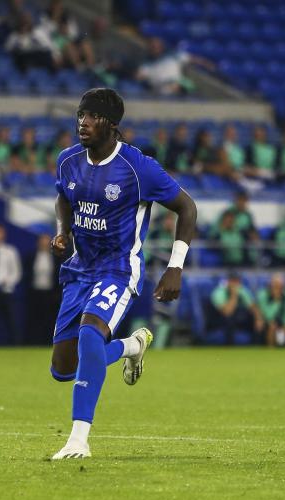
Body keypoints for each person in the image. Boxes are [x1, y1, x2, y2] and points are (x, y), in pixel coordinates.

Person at [49, 88, 197, 460]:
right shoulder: (68, 161)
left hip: (118, 268)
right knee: (63, 369)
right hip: (79, 270)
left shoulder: (138, 167)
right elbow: (63, 199)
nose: (83, 122)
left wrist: (175, 266)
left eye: (93, 116)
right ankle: (133, 346)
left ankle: (78, 439)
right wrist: (62, 231)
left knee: (89, 335)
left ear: (112, 126)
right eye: (81, 114)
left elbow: (187, 208)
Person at [136, 37, 215, 96]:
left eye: (158, 46)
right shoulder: (147, 64)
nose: (156, 48)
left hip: (179, 83)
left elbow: (193, 59)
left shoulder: (173, 55)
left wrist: (208, 65)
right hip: (161, 89)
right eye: (153, 46)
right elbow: (139, 76)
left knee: (190, 85)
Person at [24, 233, 62, 345]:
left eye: (46, 241)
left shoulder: (56, 258)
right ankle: (33, 342)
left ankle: (49, 342)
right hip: (35, 293)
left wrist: (57, 293)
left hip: (50, 294)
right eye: (42, 241)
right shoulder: (31, 256)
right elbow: (27, 275)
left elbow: (58, 275)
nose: (44, 243)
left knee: (49, 319)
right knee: (34, 319)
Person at [210, 272, 263, 345]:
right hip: (221, 319)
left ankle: (256, 346)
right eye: (234, 281)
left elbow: (252, 306)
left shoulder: (242, 290)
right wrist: (234, 295)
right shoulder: (219, 292)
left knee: (256, 318)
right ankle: (230, 347)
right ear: (228, 281)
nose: (236, 284)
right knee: (228, 319)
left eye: (238, 281)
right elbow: (227, 312)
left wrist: (258, 318)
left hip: (239, 318)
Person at [257, 273, 285, 347]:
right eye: (275, 285)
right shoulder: (263, 294)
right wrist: (276, 301)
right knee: (272, 325)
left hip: (283, 323)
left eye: (279, 285)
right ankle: (271, 349)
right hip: (267, 323)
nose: (277, 288)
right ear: (270, 285)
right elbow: (267, 315)